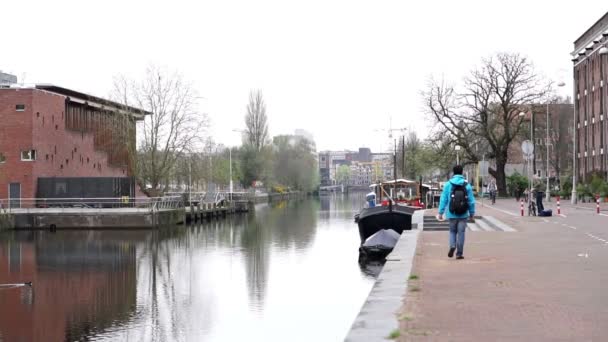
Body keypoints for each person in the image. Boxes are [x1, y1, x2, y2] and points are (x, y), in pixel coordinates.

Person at [438, 165, 476, 260]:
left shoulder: (448, 184)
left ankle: (452, 246)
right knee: (461, 233)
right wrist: (471, 214)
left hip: (451, 213)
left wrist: (440, 212)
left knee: (452, 232)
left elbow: (443, 199)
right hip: (463, 214)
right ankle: (459, 254)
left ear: (453, 172)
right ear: (462, 172)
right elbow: (471, 201)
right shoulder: (467, 185)